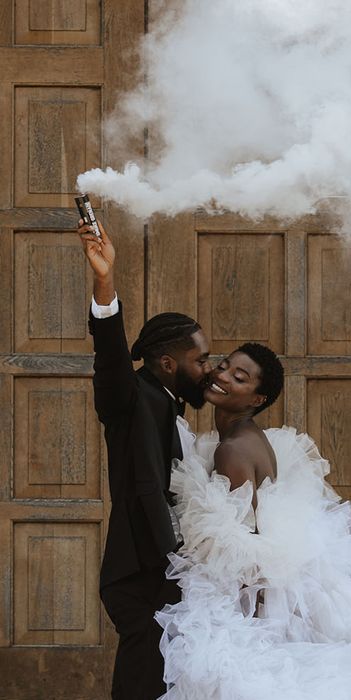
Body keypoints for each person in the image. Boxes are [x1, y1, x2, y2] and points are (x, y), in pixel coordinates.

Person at [156, 344, 351, 699]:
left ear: (257, 399)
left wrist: (250, 619)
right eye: (224, 366)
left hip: (254, 595)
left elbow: (245, 543)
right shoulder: (247, 438)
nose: (221, 376)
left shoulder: (232, 450)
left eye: (239, 377)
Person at [77, 219, 212, 699]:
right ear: (168, 362)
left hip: (164, 573)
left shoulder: (171, 408)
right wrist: (105, 282)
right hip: (139, 574)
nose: (208, 369)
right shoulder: (132, 396)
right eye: (201, 359)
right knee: (140, 683)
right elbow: (110, 356)